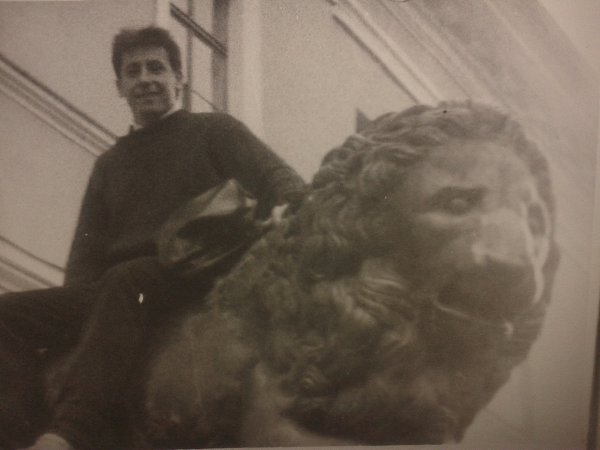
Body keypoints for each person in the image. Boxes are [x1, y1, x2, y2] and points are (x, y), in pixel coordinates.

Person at [0, 26, 305, 450]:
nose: (145, 79)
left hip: (196, 271)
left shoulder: (215, 129)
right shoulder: (109, 163)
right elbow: (86, 253)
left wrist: (292, 209)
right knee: (7, 313)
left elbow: (279, 178)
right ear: (120, 87)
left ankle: (72, 432)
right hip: (120, 288)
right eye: (133, 71)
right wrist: (73, 317)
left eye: (156, 68)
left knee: (127, 279)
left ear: (179, 78)